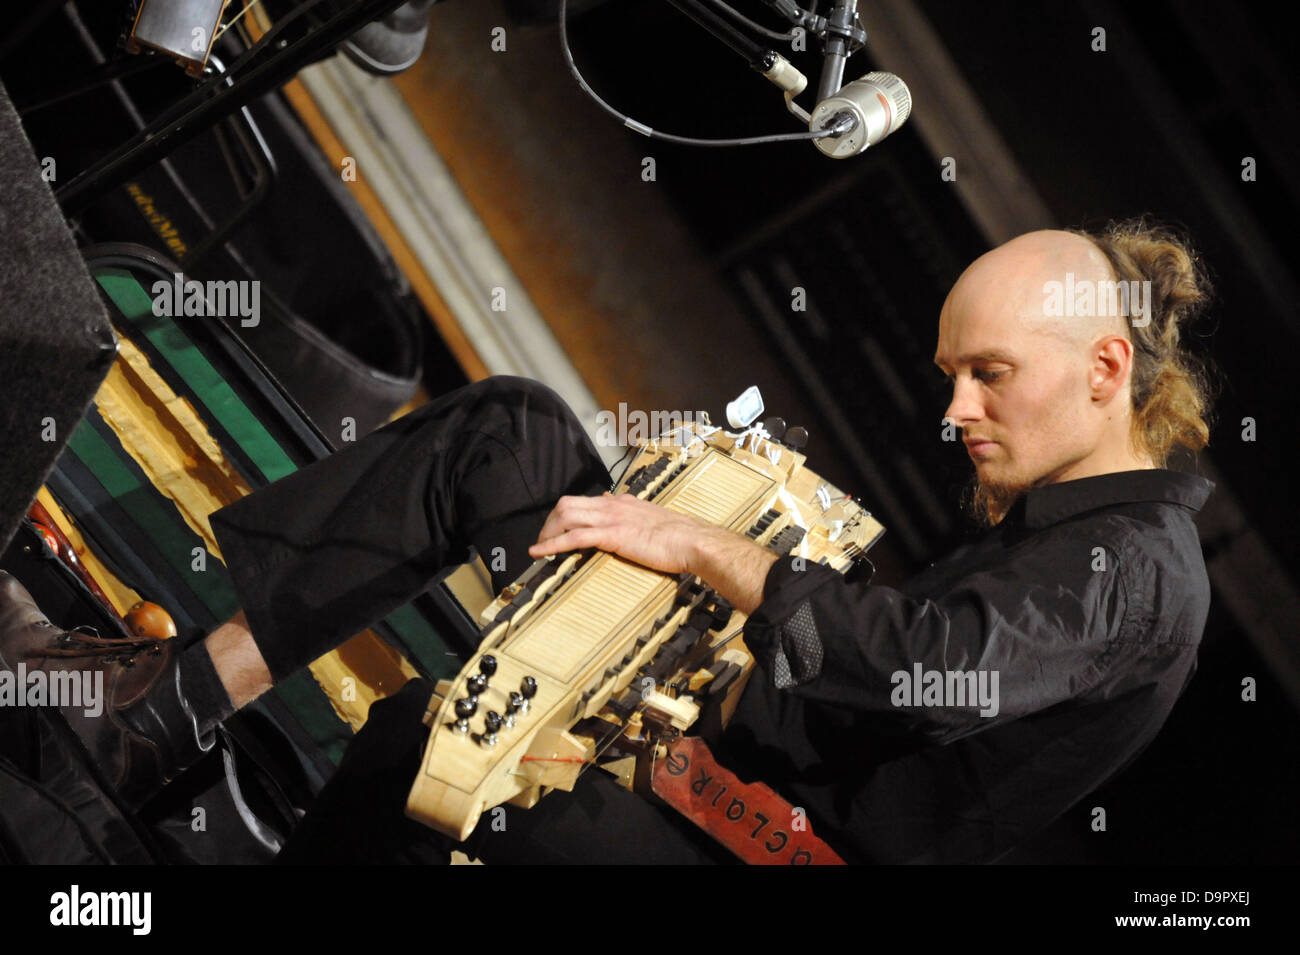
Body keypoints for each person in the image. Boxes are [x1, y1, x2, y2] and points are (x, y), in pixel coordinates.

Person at [0, 218, 1217, 864]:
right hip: (709, 731)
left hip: (750, 841)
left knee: (440, 751)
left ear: (1106, 369)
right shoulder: (1084, 535)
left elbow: (920, 666)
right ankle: (166, 708)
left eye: (986, 375)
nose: (952, 413)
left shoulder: (1141, 576)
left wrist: (700, 552)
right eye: (953, 376)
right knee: (513, 436)